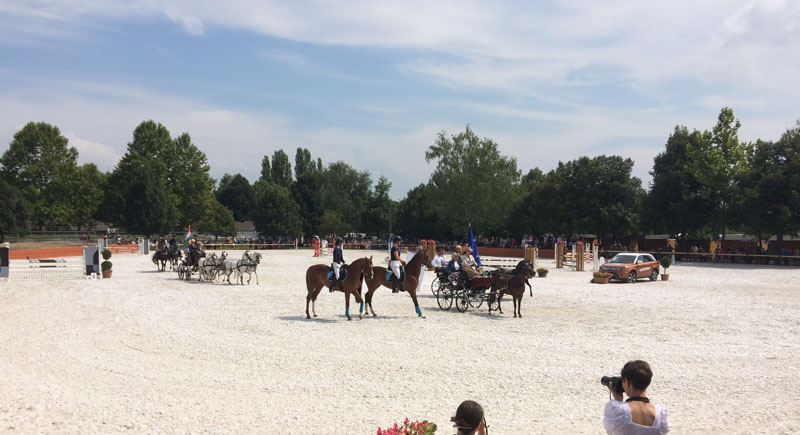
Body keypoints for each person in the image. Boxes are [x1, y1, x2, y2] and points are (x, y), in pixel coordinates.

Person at [603, 360, 671, 434]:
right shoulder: (660, 413)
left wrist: (618, 401)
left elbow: (612, 431)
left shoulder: (618, 411)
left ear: (626, 382)